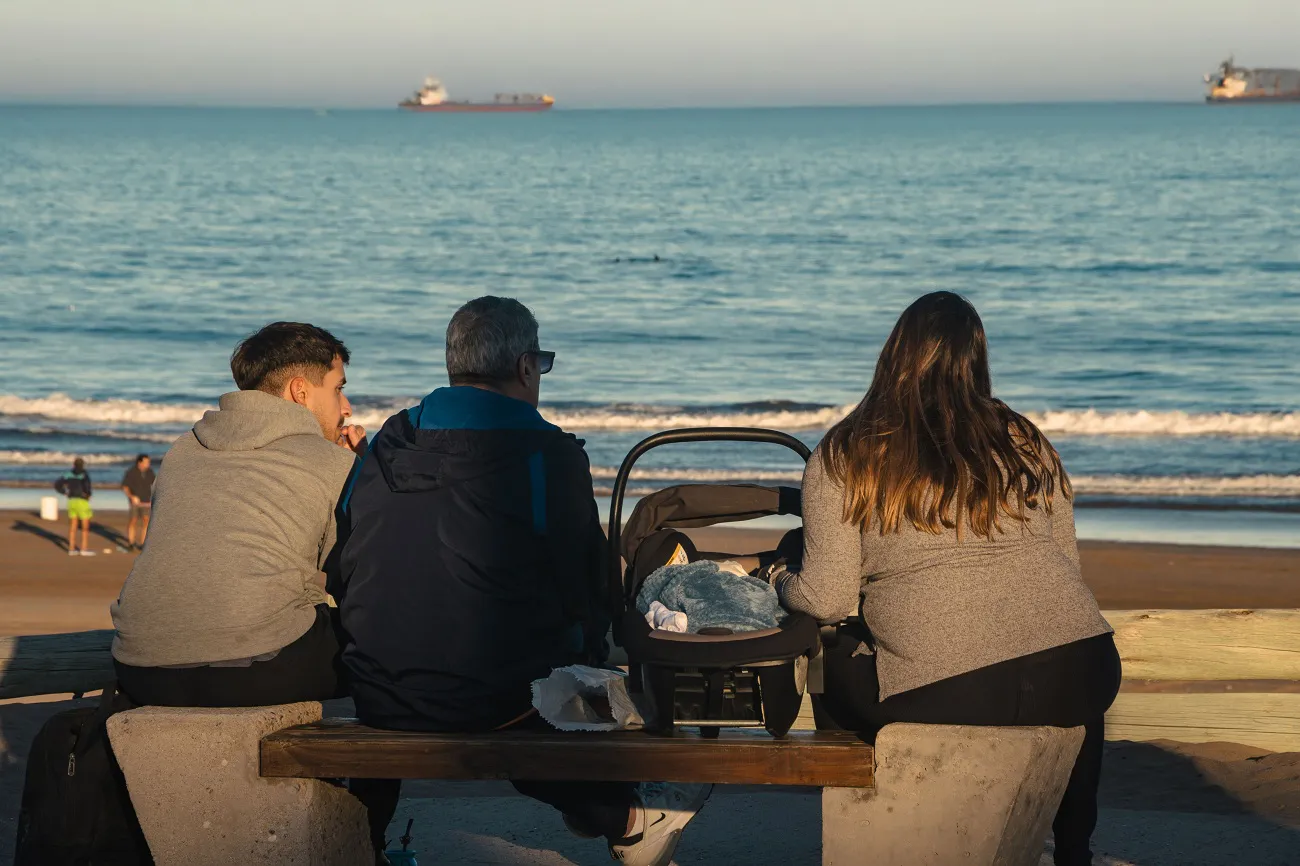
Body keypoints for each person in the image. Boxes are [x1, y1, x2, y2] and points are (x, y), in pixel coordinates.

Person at [330, 297, 710, 866]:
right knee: (574, 668)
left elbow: (350, 558)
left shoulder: (388, 440)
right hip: (498, 700)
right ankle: (624, 816)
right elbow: (584, 589)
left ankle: (369, 844)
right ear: (527, 368)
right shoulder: (548, 454)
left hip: (379, 689)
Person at [770, 292, 1120, 866]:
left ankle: (871, 814)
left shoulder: (846, 451)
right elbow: (1066, 569)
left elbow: (828, 599)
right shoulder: (1025, 438)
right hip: (1084, 669)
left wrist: (781, 579)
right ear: (977, 359)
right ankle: (1073, 849)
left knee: (830, 658)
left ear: (894, 355)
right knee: (1067, 659)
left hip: (950, 690)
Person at [110, 322, 365, 708]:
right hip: (258, 667)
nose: (345, 408)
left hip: (139, 666)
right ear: (300, 391)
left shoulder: (183, 450)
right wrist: (364, 477)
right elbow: (358, 579)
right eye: (338, 389)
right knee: (388, 640)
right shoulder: (331, 462)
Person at [54, 457, 95, 556]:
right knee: (85, 527)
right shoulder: (84, 474)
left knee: (73, 525)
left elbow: (57, 484)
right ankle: (83, 548)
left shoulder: (68, 474)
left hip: (71, 500)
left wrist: (64, 492)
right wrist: (88, 494)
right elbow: (87, 486)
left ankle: (71, 548)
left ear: (73, 465)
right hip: (82, 501)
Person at [120, 454, 156, 551]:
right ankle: (131, 543)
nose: (148, 464)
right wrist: (131, 497)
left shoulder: (150, 472)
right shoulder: (131, 472)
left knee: (146, 521)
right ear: (139, 462)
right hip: (135, 502)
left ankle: (143, 543)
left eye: (148, 462)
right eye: (146, 462)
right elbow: (125, 486)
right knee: (133, 521)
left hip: (147, 501)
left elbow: (155, 485)